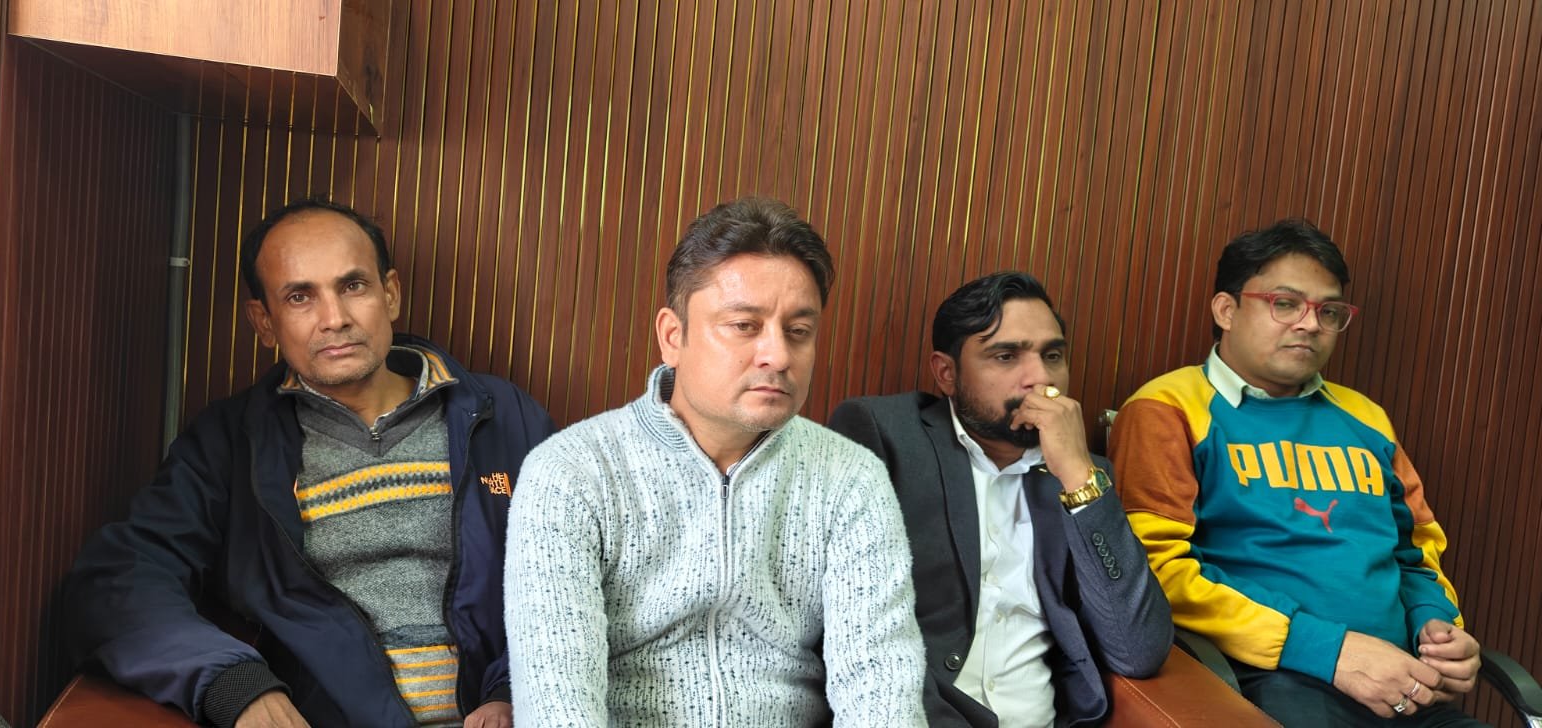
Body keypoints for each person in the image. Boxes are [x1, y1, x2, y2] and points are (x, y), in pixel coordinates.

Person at [63, 198, 555, 728]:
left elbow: (583, 575)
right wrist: (234, 685)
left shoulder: (503, 416)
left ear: (390, 294)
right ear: (264, 321)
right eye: (300, 297)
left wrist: (521, 689)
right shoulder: (232, 443)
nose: (334, 319)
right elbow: (119, 581)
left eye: (353, 286)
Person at [503, 197, 927, 725]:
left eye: (798, 331)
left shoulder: (851, 478)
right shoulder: (571, 473)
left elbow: (881, 689)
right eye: (744, 325)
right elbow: (557, 703)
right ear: (672, 337)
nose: (778, 356)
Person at [1110, 219, 1483, 727]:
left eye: (1328, 311)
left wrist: (1437, 628)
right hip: (1274, 680)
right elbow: (1157, 572)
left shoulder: (1365, 417)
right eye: (1285, 304)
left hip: (1404, 679)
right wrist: (1330, 650)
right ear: (1226, 310)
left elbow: (1415, 553)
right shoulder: (1167, 408)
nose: (1310, 324)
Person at [828, 271, 1173, 727]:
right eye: (1006, 356)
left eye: (1053, 355)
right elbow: (850, 635)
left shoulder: (1083, 476)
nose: (1041, 378)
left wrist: (1078, 478)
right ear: (947, 373)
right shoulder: (885, 436)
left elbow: (1138, 651)